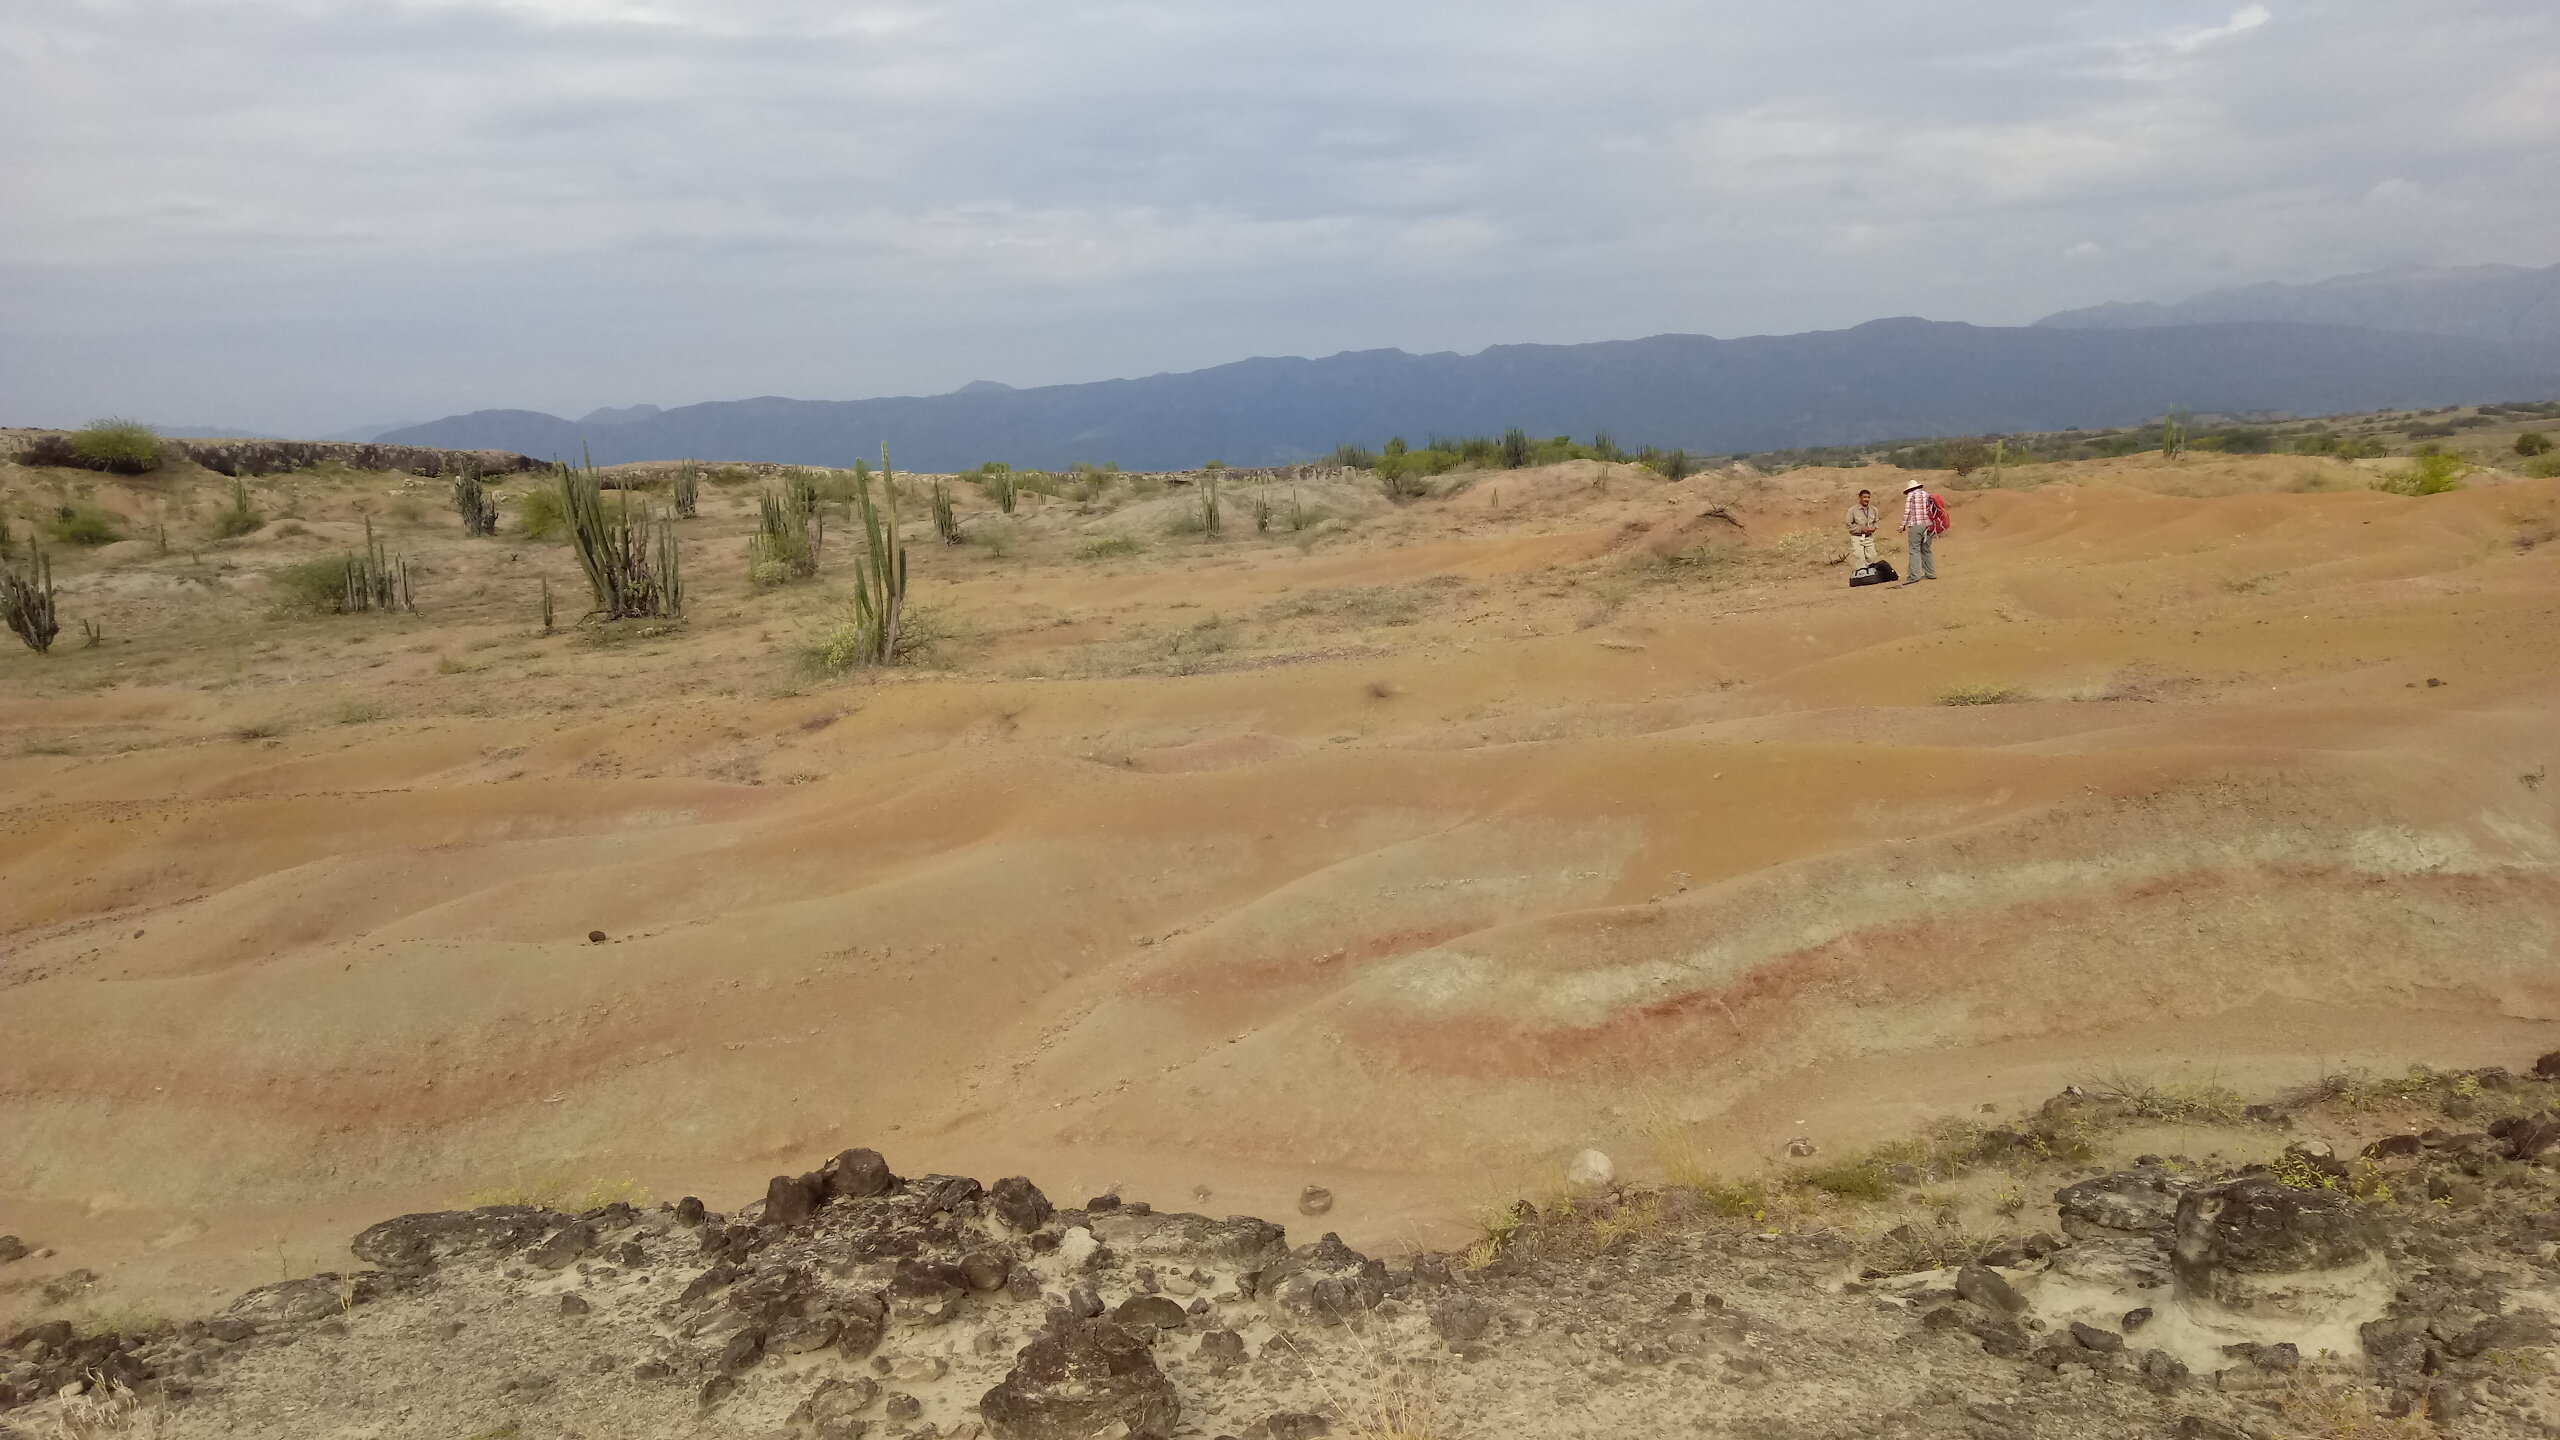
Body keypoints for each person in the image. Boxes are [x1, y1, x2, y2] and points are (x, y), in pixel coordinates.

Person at [1897, 476, 1944, 584]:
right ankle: (1931, 573)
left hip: (1916, 525)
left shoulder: (1911, 495)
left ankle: (1915, 575)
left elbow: (1907, 512)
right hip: (1929, 525)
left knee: (1914, 550)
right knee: (1926, 549)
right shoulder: (1926, 494)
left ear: (1909, 489)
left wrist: (1902, 525)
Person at [1845, 489, 1880, 567]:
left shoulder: (1874, 510)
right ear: (1860, 498)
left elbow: (1877, 522)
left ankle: (1870, 574)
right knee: (1860, 558)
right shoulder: (1852, 510)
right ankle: (1861, 575)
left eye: (1868, 497)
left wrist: (1874, 528)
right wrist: (1860, 529)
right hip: (1857, 537)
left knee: (1872, 557)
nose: (1866, 499)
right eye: (1864, 497)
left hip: (1869, 538)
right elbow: (1848, 524)